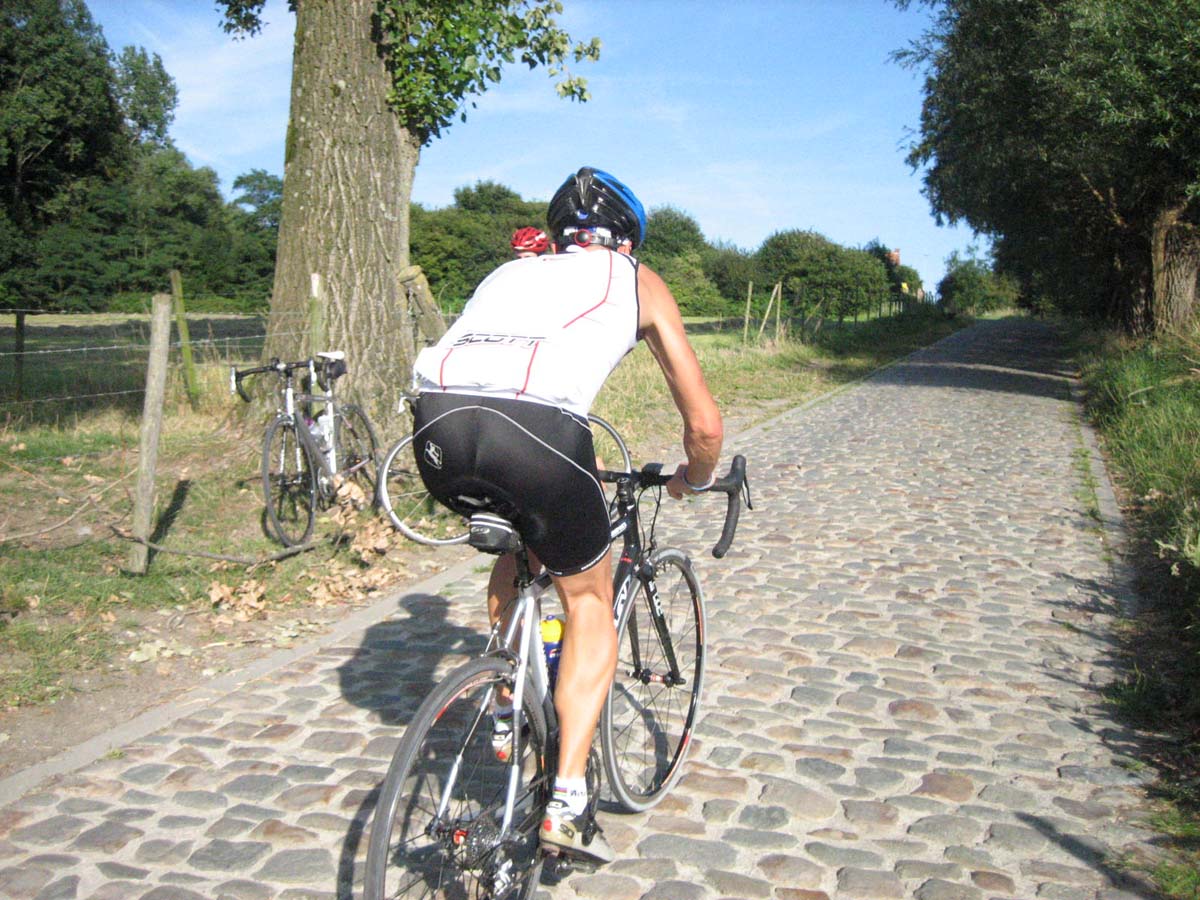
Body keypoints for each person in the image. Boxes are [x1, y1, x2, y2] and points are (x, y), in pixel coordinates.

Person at [409, 167, 723, 864]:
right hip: (537, 431)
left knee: (521, 549)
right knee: (587, 597)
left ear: (560, 233)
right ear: (628, 236)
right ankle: (570, 801)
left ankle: (505, 699)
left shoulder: (509, 273)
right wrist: (690, 483)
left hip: (433, 427)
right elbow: (703, 425)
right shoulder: (635, 278)